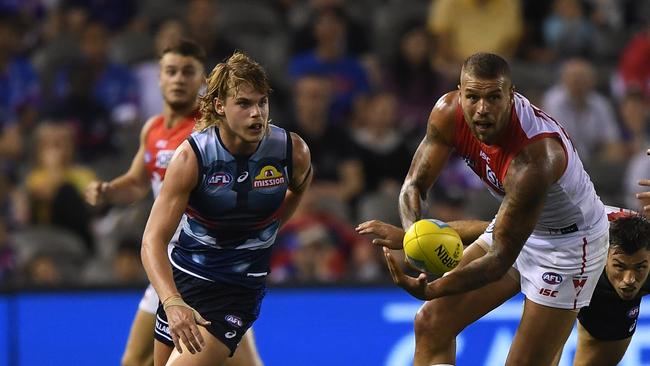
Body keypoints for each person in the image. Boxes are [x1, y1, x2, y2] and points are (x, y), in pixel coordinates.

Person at [364, 52, 610, 366]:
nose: (482, 109)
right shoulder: (447, 112)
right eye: (473, 97)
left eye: (494, 97)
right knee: (431, 323)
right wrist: (416, 235)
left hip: (570, 246)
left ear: (511, 95)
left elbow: (497, 262)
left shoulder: (535, 157)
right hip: (519, 223)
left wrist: (434, 287)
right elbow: (414, 185)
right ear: (459, 92)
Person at [85, 41, 262, 366]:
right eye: (171, 71)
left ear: (203, 81)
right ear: (159, 78)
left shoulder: (211, 131)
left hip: (204, 263)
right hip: (172, 262)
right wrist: (108, 190)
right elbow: (138, 182)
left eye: (188, 72)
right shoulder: (152, 129)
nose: (179, 79)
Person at [140, 51, 312, 366]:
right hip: (185, 281)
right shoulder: (192, 157)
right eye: (244, 104)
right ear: (220, 106)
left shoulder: (292, 152)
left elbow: (298, 189)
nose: (256, 114)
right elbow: (152, 240)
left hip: (236, 290)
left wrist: (266, 231)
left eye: (262, 102)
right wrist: (172, 301)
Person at [357, 207, 650, 366]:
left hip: (609, 308)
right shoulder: (577, 230)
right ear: (606, 251)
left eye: (640, 269)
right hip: (562, 265)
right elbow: (498, 228)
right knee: (431, 320)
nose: (629, 280)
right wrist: (413, 236)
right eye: (620, 266)